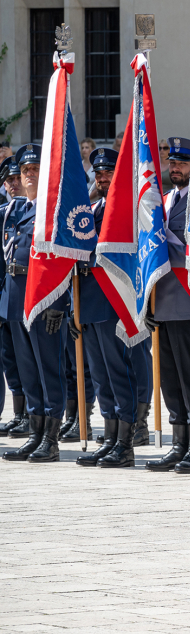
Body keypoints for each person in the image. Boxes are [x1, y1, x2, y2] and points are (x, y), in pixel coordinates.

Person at [143, 138, 190, 474]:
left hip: (188, 300)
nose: (175, 169)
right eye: (172, 163)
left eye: (182, 164)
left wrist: (159, 244)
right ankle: (178, 442)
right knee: (169, 378)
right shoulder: (165, 200)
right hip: (163, 300)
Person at [73, 148, 147, 468]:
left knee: (119, 372)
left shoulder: (128, 211)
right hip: (88, 301)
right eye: (99, 174)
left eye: (108, 173)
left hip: (113, 299)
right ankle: (110, 435)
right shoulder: (91, 208)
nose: (102, 179)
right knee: (100, 375)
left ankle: (126, 441)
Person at [1, 144, 70, 463]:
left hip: (44, 296)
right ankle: (36, 432)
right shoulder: (15, 210)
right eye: (24, 171)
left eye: (34, 170)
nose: (28, 176)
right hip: (15, 296)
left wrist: (61, 301)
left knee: (48, 369)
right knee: (27, 370)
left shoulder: (53, 210)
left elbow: (66, 258)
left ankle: (51, 438)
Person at [0, 157, 24, 437]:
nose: (14, 183)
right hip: (5, 294)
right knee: (10, 357)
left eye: (18, 178)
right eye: (9, 180)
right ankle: (20, 413)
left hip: (25, 294)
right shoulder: (5, 212)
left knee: (26, 357)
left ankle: (33, 414)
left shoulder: (31, 210)